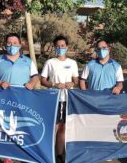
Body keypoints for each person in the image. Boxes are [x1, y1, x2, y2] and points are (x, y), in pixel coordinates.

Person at [0, 33, 39, 163]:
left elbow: (35, 76)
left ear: (20, 44)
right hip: (4, 99)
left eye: (15, 43)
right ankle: (7, 157)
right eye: (9, 43)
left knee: (23, 126)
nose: (12, 45)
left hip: (24, 100)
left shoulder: (28, 61)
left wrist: (32, 83)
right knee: (7, 127)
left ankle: (26, 153)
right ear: (5, 45)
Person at [41, 35, 79, 163]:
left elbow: (76, 79)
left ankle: (59, 155)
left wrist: (72, 84)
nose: (60, 48)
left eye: (63, 46)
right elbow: (43, 81)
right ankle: (48, 153)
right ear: (54, 48)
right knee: (53, 127)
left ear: (67, 47)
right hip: (54, 99)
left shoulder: (72, 63)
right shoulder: (50, 62)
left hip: (68, 99)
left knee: (63, 127)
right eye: (58, 46)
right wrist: (54, 84)